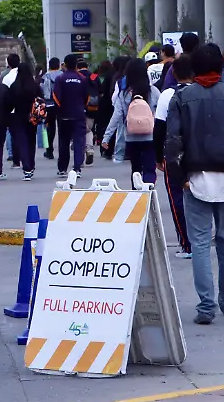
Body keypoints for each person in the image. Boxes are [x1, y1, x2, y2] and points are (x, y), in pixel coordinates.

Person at [166, 45, 224, 324]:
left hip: (195, 177)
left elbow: (173, 142)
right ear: (221, 67)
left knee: (199, 243)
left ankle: (206, 307)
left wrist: (178, 177)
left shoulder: (182, 98)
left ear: (194, 68)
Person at [154, 54, 193, 258]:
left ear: (174, 73)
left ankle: (187, 244)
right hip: (201, 153)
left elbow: (159, 128)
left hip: (175, 155)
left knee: (177, 197)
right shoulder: (202, 91)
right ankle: (201, 240)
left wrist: (158, 156)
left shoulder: (167, 95)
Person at [102, 58, 161, 186]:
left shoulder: (124, 94)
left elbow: (116, 116)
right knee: (150, 168)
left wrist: (106, 137)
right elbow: (162, 114)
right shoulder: (153, 91)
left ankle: (137, 197)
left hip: (131, 138)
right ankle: (149, 193)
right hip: (150, 137)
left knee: (136, 170)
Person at [53, 54, 91, 178]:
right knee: (79, 142)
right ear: (76, 65)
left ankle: (63, 168)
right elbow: (87, 97)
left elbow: (56, 97)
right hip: (79, 114)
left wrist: (61, 109)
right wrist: (81, 107)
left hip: (63, 116)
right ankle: (77, 168)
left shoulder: (60, 78)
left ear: (64, 64)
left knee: (63, 142)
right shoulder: (82, 79)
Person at [9, 62, 42, 181]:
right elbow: (40, 100)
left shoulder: (14, 86)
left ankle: (26, 168)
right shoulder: (34, 86)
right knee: (31, 142)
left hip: (18, 116)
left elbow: (9, 103)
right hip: (32, 117)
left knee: (22, 142)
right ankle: (31, 165)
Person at [41, 57, 64, 160]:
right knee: (62, 127)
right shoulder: (62, 75)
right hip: (61, 104)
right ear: (58, 65)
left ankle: (48, 150)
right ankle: (62, 149)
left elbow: (41, 89)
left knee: (48, 128)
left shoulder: (45, 76)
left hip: (48, 104)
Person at [2, 53, 21, 165]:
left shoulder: (6, 78)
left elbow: (4, 95)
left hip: (12, 111)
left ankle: (13, 156)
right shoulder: (26, 76)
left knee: (12, 134)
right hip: (25, 111)